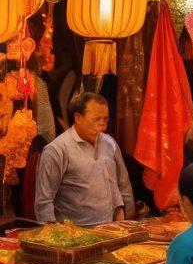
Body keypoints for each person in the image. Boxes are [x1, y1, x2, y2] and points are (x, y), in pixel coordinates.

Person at [34, 92, 134, 225]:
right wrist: (52, 234)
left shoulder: (109, 143)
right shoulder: (56, 150)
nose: (103, 125)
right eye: (96, 119)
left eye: (105, 119)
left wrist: (129, 224)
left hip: (111, 230)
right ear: (78, 118)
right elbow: (44, 202)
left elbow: (124, 186)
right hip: (73, 234)